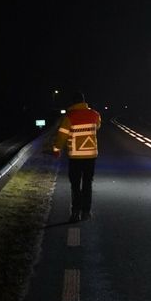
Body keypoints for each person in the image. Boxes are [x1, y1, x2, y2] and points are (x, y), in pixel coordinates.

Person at [53, 92, 102, 222]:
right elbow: (97, 126)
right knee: (87, 184)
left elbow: (62, 135)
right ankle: (86, 212)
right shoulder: (95, 114)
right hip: (90, 156)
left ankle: (75, 212)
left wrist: (57, 150)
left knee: (75, 185)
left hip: (75, 157)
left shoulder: (69, 117)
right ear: (84, 101)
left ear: (72, 103)